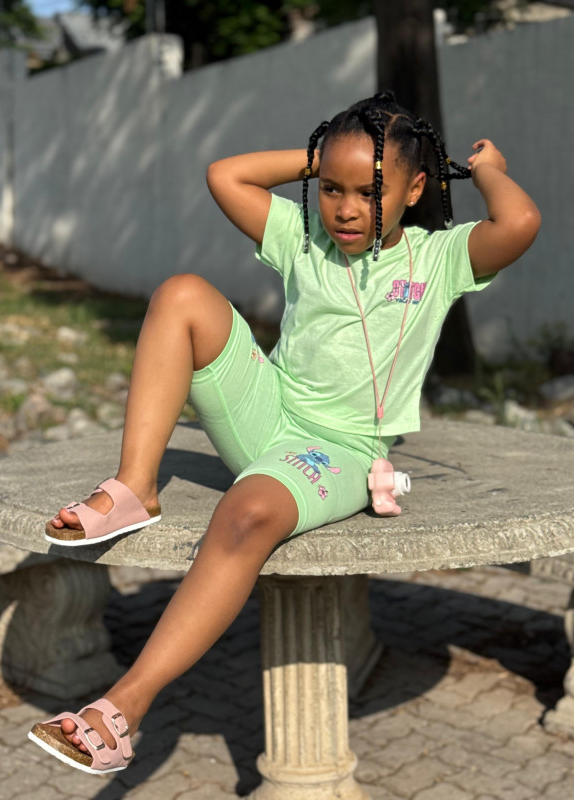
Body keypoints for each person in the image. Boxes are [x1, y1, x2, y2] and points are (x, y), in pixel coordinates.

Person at [28, 91, 540, 774]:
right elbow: (225, 176)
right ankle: (134, 488)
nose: (346, 209)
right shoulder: (304, 236)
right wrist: (324, 157)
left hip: (341, 451)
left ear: (416, 189)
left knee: (246, 514)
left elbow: (520, 221)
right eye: (332, 188)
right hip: (267, 410)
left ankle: (122, 709)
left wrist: (487, 170)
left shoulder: (440, 258)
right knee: (182, 294)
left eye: (370, 192)